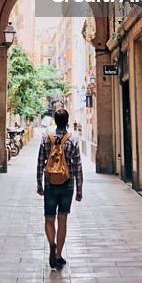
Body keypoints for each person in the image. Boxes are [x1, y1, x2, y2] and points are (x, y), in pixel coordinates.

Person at [36, 107, 83, 270]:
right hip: (67, 185)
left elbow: (40, 162)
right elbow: (77, 166)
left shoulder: (46, 138)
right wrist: (79, 189)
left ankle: (51, 244)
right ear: (67, 121)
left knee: (49, 218)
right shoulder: (73, 139)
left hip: (50, 184)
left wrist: (39, 184)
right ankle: (58, 255)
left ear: (55, 121)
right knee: (62, 219)